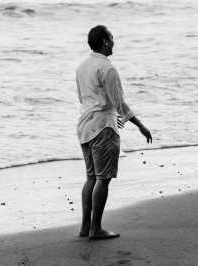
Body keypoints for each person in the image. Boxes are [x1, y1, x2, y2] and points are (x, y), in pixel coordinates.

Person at [76, 25, 152, 239]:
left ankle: (85, 226)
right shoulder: (108, 69)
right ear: (105, 41)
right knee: (103, 178)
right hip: (103, 128)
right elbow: (119, 103)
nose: (114, 41)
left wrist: (109, 111)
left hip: (84, 126)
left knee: (91, 177)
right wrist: (140, 125)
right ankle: (96, 229)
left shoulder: (82, 67)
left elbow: (83, 98)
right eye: (112, 37)